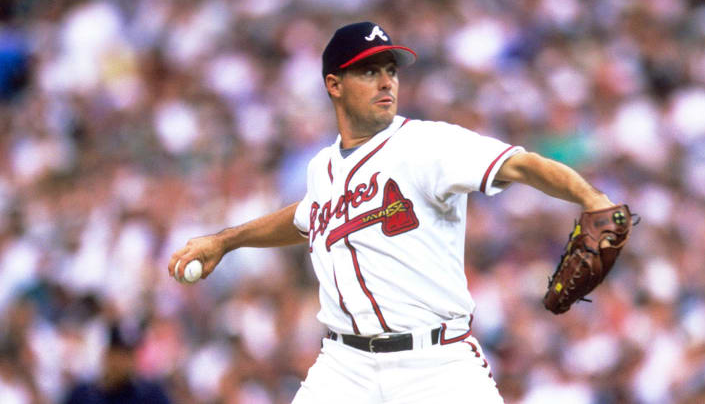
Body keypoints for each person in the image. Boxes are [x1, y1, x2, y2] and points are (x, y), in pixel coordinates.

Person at [168, 21, 617, 403]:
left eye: (390, 71)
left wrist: (591, 199)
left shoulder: (426, 145)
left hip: (436, 362)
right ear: (334, 85)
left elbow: (521, 163)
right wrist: (226, 240)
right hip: (344, 367)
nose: (386, 82)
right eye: (368, 71)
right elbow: (309, 216)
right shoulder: (321, 167)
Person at [63, 324, 172, 404]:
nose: (126, 362)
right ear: (107, 355)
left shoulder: (151, 395)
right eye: (121, 355)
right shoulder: (83, 394)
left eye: (130, 355)